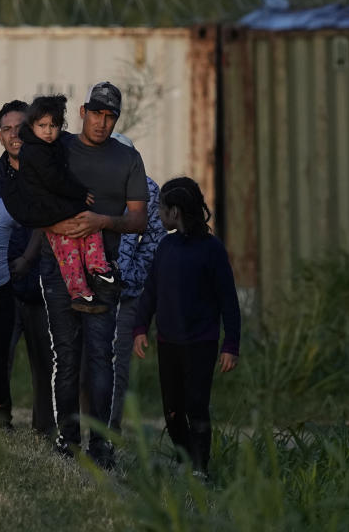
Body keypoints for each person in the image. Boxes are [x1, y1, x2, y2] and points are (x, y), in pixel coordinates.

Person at [39, 81, 148, 469]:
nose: (101, 123)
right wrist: (58, 221)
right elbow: (34, 192)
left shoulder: (127, 159)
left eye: (109, 116)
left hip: (104, 271)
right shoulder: (58, 147)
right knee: (66, 355)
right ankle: (67, 439)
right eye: (96, 113)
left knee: (101, 357)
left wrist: (104, 220)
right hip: (57, 266)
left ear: (115, 119)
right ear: (82, 112)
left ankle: (100, 445)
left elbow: (138, 218)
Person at [132, 176, 241, 480]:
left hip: (201, 343)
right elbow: (151, 290)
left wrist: (231, 344)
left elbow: (228, 300)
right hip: (168, 342)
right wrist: (140, 326)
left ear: (175, 212)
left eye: (161, 208)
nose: (158, 213)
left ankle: (200, 469)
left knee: (196, 406)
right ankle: (186, 457)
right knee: (172, 412)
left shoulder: (212, 250)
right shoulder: (165, 247)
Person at [0, 100, 55, 435]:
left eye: (20, 127)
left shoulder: (48, 170)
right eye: (7, 129)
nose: (14, 135)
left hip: (43, 280)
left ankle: (48, 429)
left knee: (47, 362)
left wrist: (29, 260)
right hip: (0, 283)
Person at [3, 95, 117, 314]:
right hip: (49, 210)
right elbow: (54, 179)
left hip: (56, 207)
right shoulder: (35, 150)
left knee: (87, 230)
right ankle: (82, 290)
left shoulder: (51, 145)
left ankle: (98, 271)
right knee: (69, 249)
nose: (48, 131)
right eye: (42, 126)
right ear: (32, 126)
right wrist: (79, 193)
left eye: (53, 126)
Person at [109, 133, 167, 431]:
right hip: (86, 287)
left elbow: (156, 236)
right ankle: (78, 425)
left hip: (127, 292)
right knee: (82, 361)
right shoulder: (90, 183)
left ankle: (110, 429)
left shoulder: (148, 189)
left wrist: (134, 274)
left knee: (118, 365)